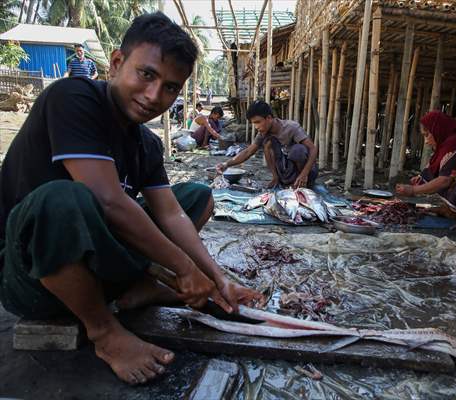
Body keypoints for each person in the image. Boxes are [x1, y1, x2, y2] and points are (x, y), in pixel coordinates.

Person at [0, 12, 262, 385]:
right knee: (61, 201)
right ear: (117, 62)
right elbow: (107, 199)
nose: (155, 96)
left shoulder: (147, 144)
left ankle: (134, 288)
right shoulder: (72, 98)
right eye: (147, 74)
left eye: (171, 87)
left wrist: (216, 278)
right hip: (31, 274)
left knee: (196, 198)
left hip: (94, 258)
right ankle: (105, 332)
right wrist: (184, 270)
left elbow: (172, 215)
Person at [216, 101, 318, 189]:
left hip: (307, 172)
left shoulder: (291, 127)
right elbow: (248, 151)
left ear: (269, 118)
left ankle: (303, 183)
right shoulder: (263, 133)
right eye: (254, 123)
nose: (256, 126)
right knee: (268, 143)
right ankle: (277, 179)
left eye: (258, 122)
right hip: (286, 173)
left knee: (298, 150)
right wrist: (226, 164)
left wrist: (304, 174)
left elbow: (313, 149)